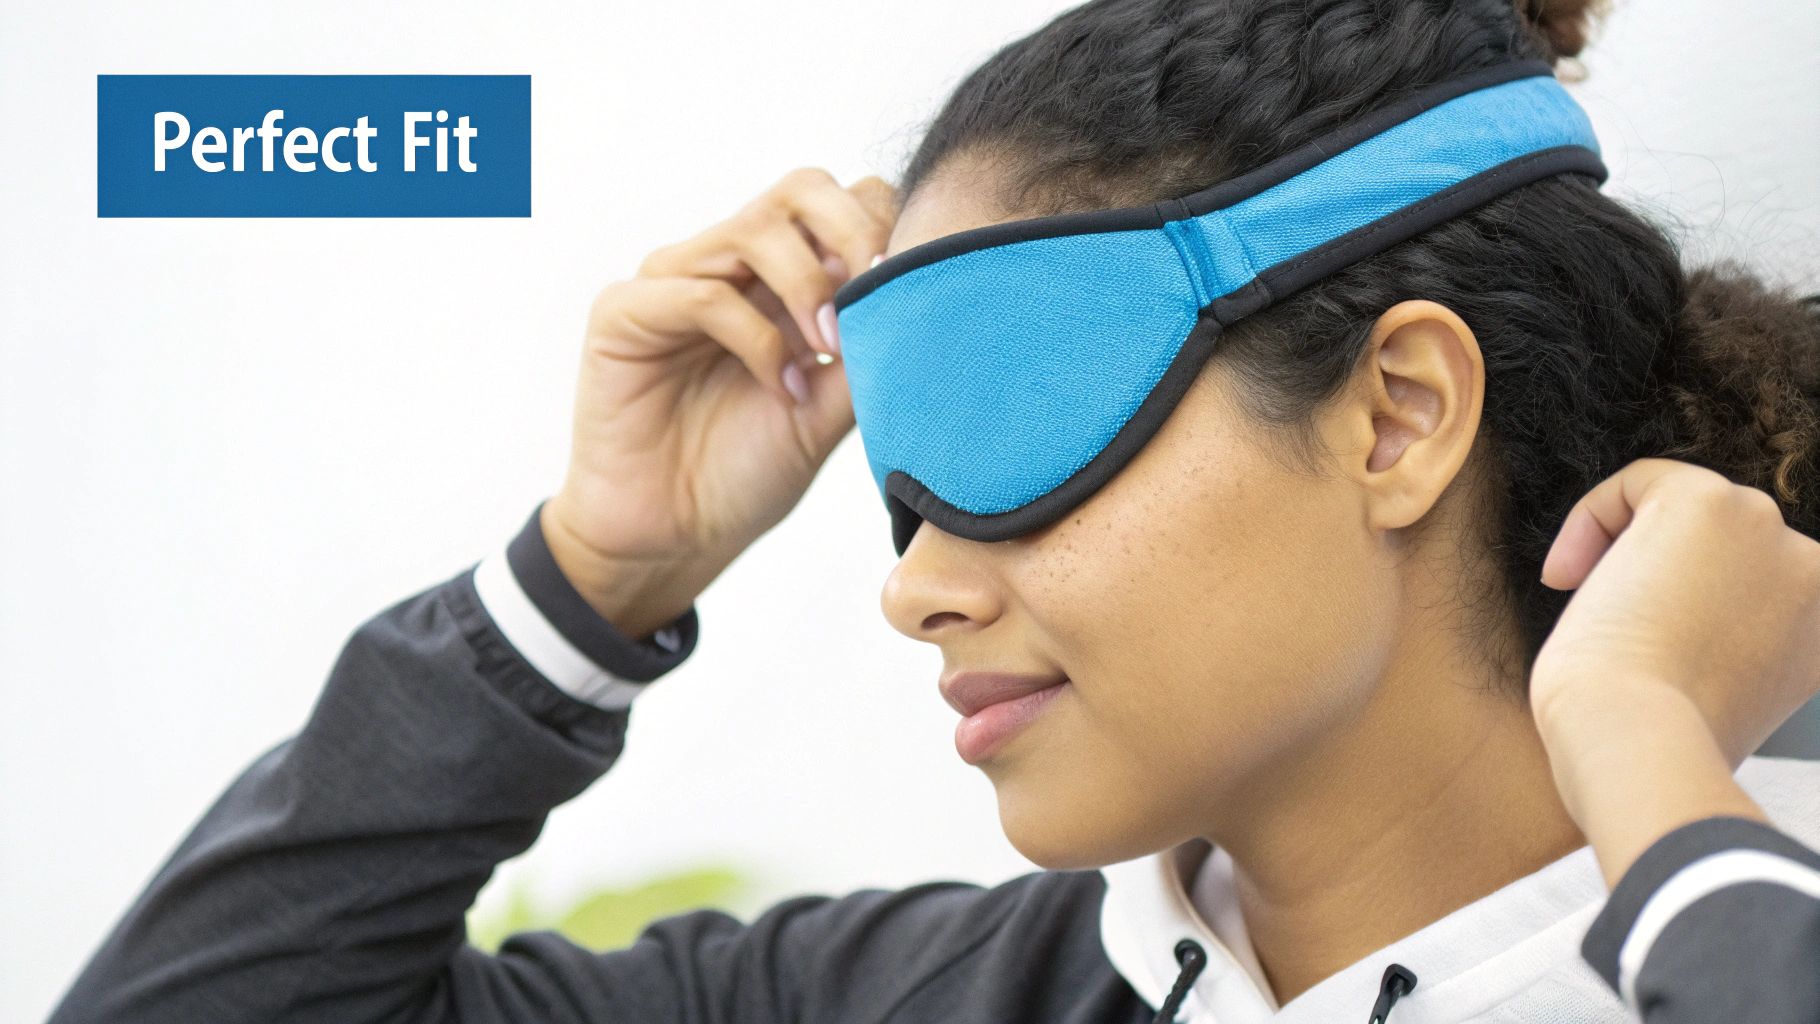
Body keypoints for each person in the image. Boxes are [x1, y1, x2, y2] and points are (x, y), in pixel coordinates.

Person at [47, 0, 1820, 1021]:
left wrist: (1653, 772)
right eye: (904, 477)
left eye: (1017, 424)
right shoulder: (927, 999)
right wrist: (589, 580)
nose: (915, 592)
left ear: (1399, 415)